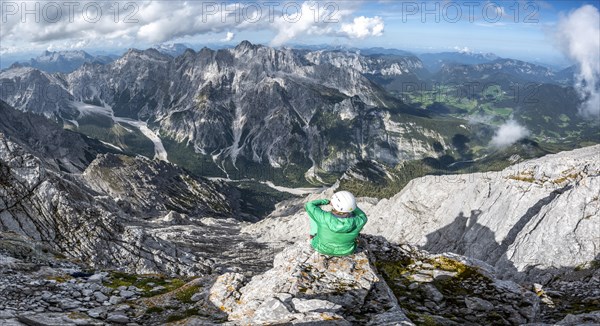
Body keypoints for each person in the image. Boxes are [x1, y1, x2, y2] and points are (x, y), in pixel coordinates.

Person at [304, 191, 368, 256]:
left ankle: (313, 235)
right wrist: (350, 206)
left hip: (320, 248)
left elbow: (309, 205)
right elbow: (362, 215)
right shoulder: (361, 220)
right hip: (347, 251)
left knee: (314, 217)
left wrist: (327, 201)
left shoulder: (323, 217)